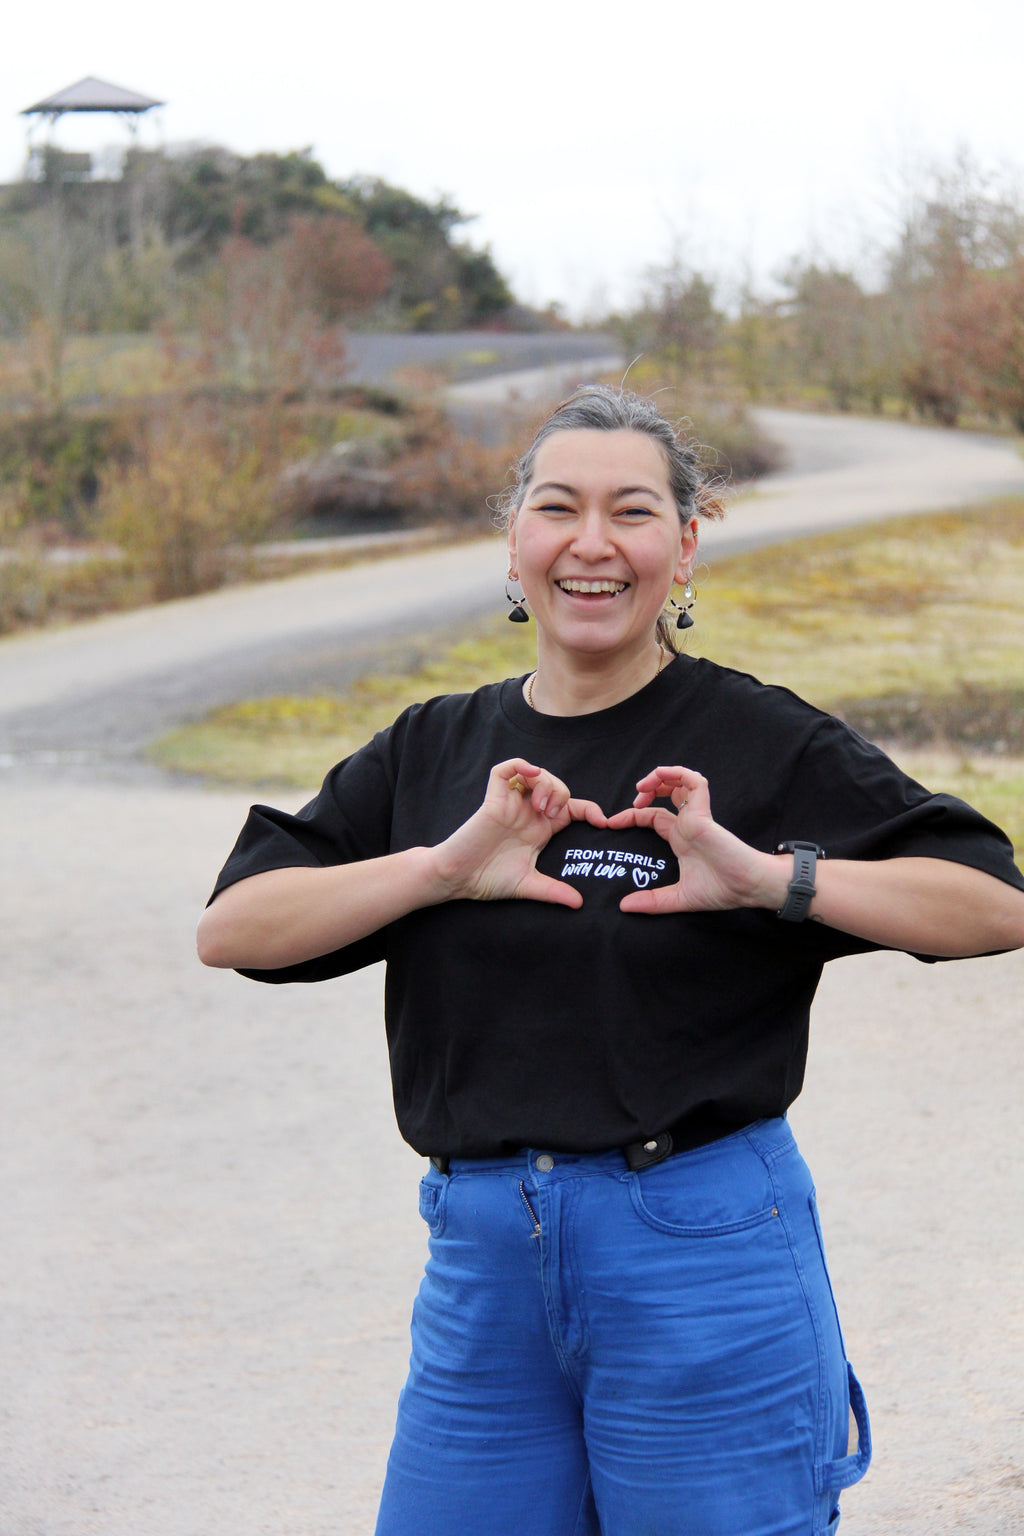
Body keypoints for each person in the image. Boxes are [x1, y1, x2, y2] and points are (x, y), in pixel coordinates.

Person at [198, 386, 1024, 1536]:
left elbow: (989, 901)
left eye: (631, 512)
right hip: (482, 1268)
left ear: (682, 548)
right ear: (513, 543)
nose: (591, 544)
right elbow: (235, 928)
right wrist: (443, 868)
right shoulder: (434, 748)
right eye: (557, 508)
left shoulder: (760, 739)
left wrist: (768, 879)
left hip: (702, 1252)